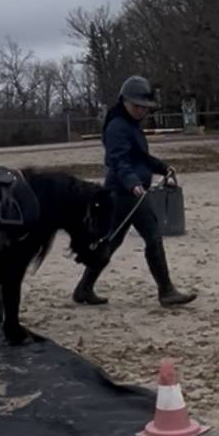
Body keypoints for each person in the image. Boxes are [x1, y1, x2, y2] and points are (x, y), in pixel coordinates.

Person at [73, 75, 197, 307]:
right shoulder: (117, 127)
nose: (142, 111)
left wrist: (161, 167)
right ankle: (166, 291)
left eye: (145, 107)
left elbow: (140, 158)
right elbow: (117, 161)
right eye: (137, 106)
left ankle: (84, 288)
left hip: (130, 193)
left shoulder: (129, 125)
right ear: (125, 102)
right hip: (123, 194)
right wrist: (132, 183)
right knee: (152, 236)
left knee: (111, 242)